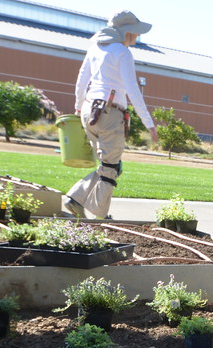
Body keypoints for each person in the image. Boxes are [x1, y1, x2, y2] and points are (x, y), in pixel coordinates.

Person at [63, 10, 158, 220]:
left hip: (89, 112)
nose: (136, 36)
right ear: (126, 32)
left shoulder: (94, 48)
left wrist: (78, 108)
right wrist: (149, 123)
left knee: (107, 165)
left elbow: (81, 81)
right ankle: (97, 213)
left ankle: (77, 199)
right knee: (112, 167)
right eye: (135, 32)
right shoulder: (122, 53)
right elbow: (132, 90)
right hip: (109, 113)